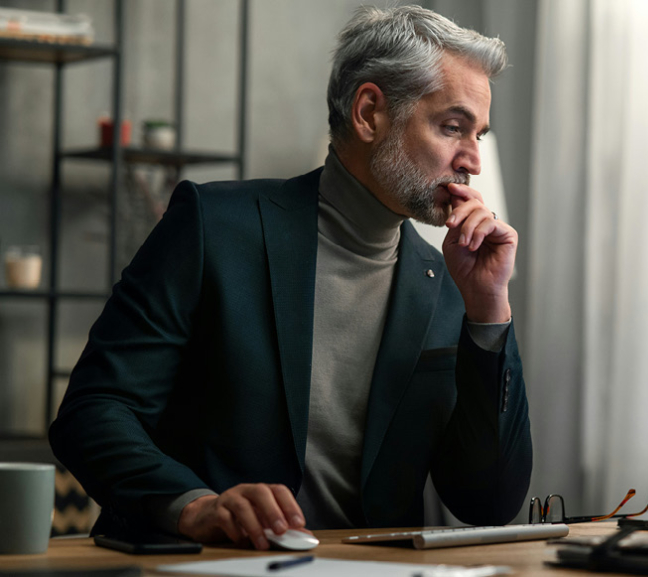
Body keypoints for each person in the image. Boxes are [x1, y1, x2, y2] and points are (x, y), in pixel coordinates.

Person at [49, 5, 532, 550]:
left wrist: (490, 310)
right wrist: (196, 507)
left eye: (479, 134)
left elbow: (487, 502)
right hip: (205, 564)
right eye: (452, 127)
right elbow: (93, 412)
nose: (472, 160)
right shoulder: (213, 228)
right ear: (369, 112)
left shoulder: (452, 289)